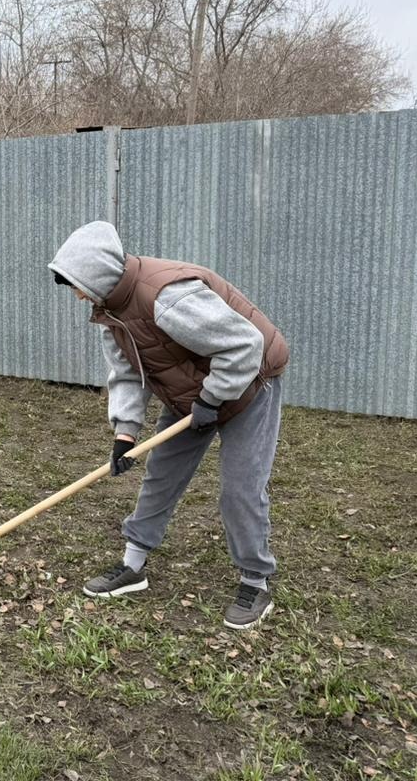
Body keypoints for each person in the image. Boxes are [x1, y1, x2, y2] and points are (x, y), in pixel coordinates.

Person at [48, 220, 289, 629]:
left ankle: (256, 580)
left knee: (240, 488)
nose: (76, 293)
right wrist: (125, 432)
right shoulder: (110, 313)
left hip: (250, 382)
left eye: (77, 283)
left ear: (100, 276)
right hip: (190, 392)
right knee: (160, 474)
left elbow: (244, 344)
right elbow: (128, 373)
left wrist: (211, 400)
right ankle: (133, 565)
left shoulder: (166, 298)